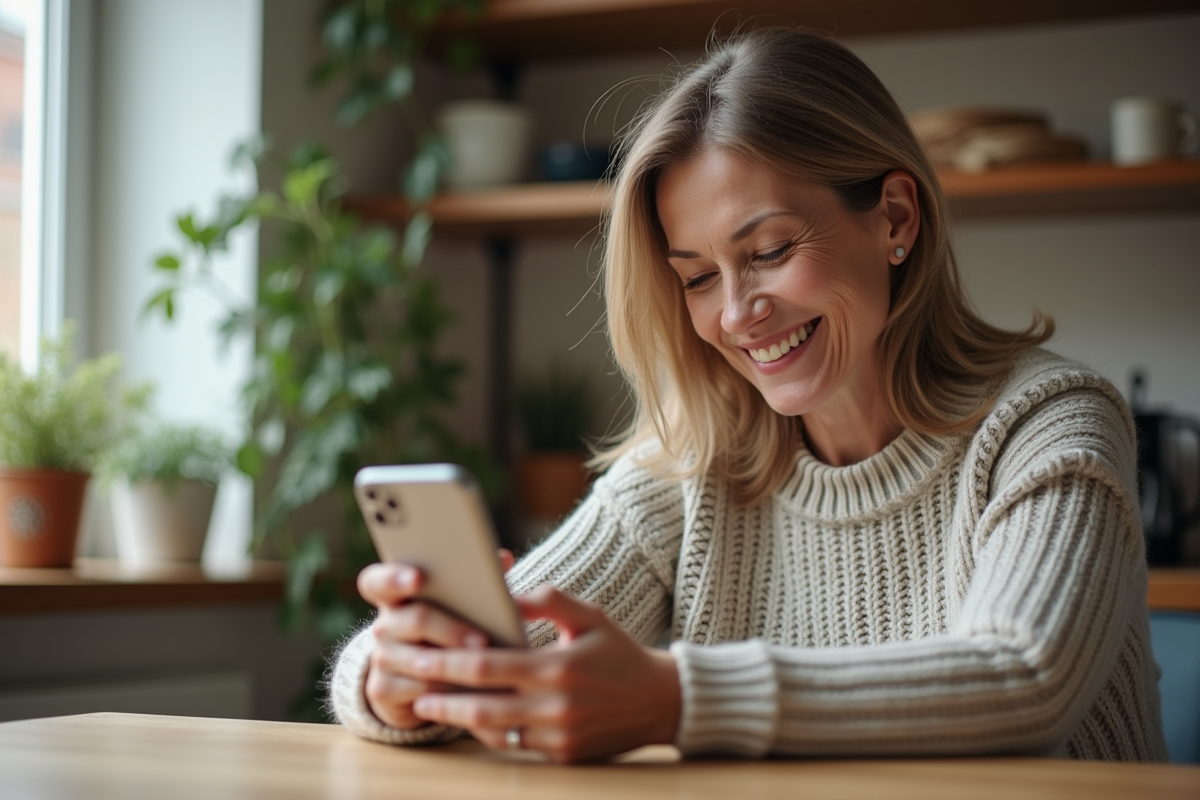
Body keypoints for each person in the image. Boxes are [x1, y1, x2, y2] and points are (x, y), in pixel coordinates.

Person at [328, 27, 1167, 763]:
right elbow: (511, 643)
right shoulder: (698, 463)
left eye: (768, 251)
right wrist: (398, 674)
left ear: (897, 219)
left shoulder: (1051, 423)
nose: (735, 315)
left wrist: (677, 699)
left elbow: (1023, 679)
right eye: (696, 278)